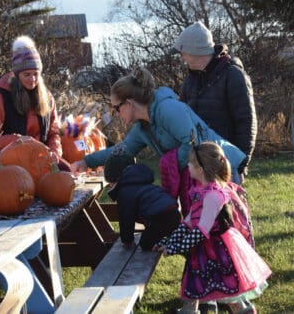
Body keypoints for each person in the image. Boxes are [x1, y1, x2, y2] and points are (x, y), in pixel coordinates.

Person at [69, 66, 247, 213]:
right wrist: (86, 162)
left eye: (117, 108)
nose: (116, 114)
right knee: (202, 238)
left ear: (129, 103)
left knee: (224, 235)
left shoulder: (168, 109)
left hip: (220, 170)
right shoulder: (143, 128)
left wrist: (171, 165)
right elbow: (122, 150)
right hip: (200, 177)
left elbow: (192, 142)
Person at [153, 142, 271, 314]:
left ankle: (242, 310)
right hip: (204, 249)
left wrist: (174, 248)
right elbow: (188, 222)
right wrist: (170, 240)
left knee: (224, 284)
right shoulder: (200, 191)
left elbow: (201, 231)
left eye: (191, 163)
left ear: (200, 169)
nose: (188, 166)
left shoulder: (213, 196)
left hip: (216, 251)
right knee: (194, 281)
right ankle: (189, 311)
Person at [173, 22, 257, 178]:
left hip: (226, 162)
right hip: (199, 166)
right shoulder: (190, 81)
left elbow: (246, 121)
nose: (182, 58)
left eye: (183, 52)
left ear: (194, 51)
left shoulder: (233, 75)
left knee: (227, 203)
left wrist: (240, 163)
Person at [0, 35, 67, 168]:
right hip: (11, 163)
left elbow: (53, 133)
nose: (32, 79)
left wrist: (54, 152)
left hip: (42, 161)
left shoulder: (47, 97)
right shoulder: (0, 97)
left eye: (36, 74)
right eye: (27, 75)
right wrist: (19, 140)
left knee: (67, 176)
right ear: (17, 75)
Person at [103, 144, 181, 251]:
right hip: (173, 213)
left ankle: (169, 243)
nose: (111, 187)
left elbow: (126, 219)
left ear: (117, 180)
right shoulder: (140, 182)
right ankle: (170, 241)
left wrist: (127, 241)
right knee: (153, 235)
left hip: (161, 218)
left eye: (111, 184)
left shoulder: (125, 192)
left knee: (145, 244)